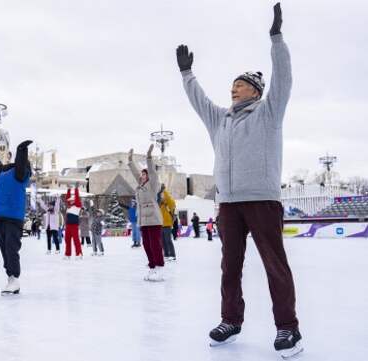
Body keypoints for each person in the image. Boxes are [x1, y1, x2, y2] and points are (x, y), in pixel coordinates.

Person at [176, 3, 302, 357]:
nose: (234, 89)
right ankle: (230, 320)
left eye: (241, 85)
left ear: (256, 91)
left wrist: (276, 38)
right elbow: (200, 101)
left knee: (274, 265)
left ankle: (288, 328)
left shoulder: (269, 112)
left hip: (262, 199)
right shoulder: (221, 120)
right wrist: (188, 75)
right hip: (229, 202)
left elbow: (284, 78)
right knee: (229, 266)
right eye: (232, 85)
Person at [0, 140, 33, 295]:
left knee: (11, 249)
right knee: (4, 250)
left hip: (13, 217)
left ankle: (14, 278)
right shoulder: (3, 172)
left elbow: (20, 164)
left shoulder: (20, 173)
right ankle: (11, 278)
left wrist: (22, 150)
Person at [128, 145, 164, 282]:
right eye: (142, 174)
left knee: (155, 244)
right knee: (147, 245)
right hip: (143, 220)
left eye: (144, 174)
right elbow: (134, 173)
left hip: (154, 219)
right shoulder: (140, 186)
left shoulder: (153, 184)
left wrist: (148, 157)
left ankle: (160, 268)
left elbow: (152, 172)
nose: (142, 176)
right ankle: (152, 267)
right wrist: (130, 160)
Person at [63, 187, 83, 260]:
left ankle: (79, 253)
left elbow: (77, 198)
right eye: (70, 200)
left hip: (74, 226)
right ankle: (68, 254)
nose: (70, 201)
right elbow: (67, 199)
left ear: (74, 200)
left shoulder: (78, 206)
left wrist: (76, 190)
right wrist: (68, 190)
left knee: (76, 240)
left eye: (72, 200)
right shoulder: (69, 207)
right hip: (68, 225)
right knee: (67, 240)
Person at [159, 185, 177, 261]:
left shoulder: (168, 202)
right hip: (161, 224)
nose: (161, 197)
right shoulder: (159, 204)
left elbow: (171, 202)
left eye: (162, 196)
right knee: (163, 241)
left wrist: (164, 191)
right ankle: (166, 254)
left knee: (168, 240)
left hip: (167, 223)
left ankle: (172, 255)